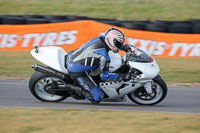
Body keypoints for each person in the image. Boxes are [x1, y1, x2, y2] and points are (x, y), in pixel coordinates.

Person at [66, 28, 131, 102]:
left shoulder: (102, 38)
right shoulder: (104, 57)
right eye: (118, 44)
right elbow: (104, 77)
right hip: (76, 71)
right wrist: (121, 76)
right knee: (98, 97)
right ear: (112, 41)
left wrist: (123, 47)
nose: (119, 46)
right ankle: (70, 87)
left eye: (120, 44)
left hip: (71, 56)